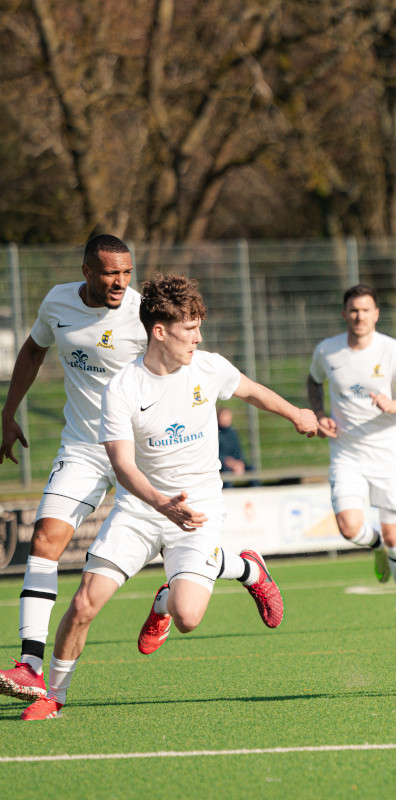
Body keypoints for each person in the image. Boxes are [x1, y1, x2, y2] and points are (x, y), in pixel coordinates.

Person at [19, 274, 319, 720]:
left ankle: (240, 570)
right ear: (159, 331)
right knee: (83, 604)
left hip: (197, 511)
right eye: (189, 329)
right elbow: (122, 465)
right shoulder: (124, 388)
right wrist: (160, 504)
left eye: (199, 326)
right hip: (140, 510)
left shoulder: (209, 367)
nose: (198, 338)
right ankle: (54, 696)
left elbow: (253, 391)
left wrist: (297, 414)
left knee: (188, 617)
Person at [0, 235, 147, 703]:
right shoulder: (58, 301)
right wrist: (8, 413)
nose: (120, 283)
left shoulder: (143, 316)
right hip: (83, 447)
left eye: (126, 273)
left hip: (141, 451)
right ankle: (29, 664)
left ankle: (246, 570)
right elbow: (32, 350)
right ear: (86, 271)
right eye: (110, 273)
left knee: (189, 573)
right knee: (44, 538)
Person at [307, 284, 396, 629]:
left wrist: (395, 404)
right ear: (344, 314)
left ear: (376, 314)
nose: (360, 316)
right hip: (346, 453)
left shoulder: (393, 351)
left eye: (366, 310)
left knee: (394, 534)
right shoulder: (327, 351)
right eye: (353, 310)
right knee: (348, 527)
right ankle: (374, 546)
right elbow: (313, 382)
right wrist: (319, 414)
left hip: (387, 455)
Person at [217, 406, 253, 479]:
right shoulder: (214, 433)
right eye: (224, 416)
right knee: (226, 473)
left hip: (234, 464)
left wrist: (240, 463)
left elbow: (238, 450)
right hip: (222, 465)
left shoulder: (233, 433)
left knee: (252, 469)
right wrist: (228, 462)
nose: (226, 419)